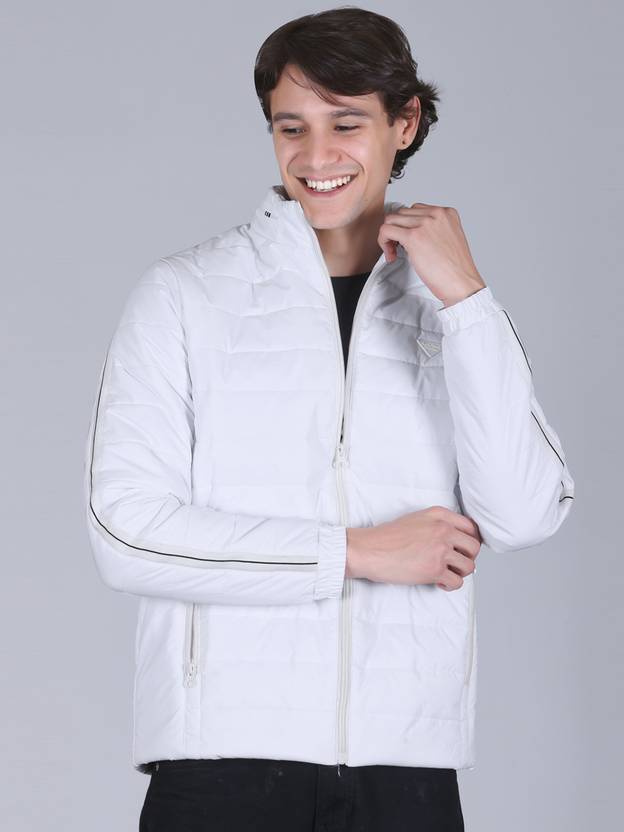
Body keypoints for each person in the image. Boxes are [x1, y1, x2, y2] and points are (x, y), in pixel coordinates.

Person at [83, 7, 575, 831]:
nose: (315, 157)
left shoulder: (455, 313)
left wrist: (468, 298)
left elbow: (525, 514)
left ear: (404, 123)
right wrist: (357, 552)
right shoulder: (185, 296)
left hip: (407, 770)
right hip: (223, 762)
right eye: (291, 127)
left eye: (345, 124)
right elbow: (126, 533)